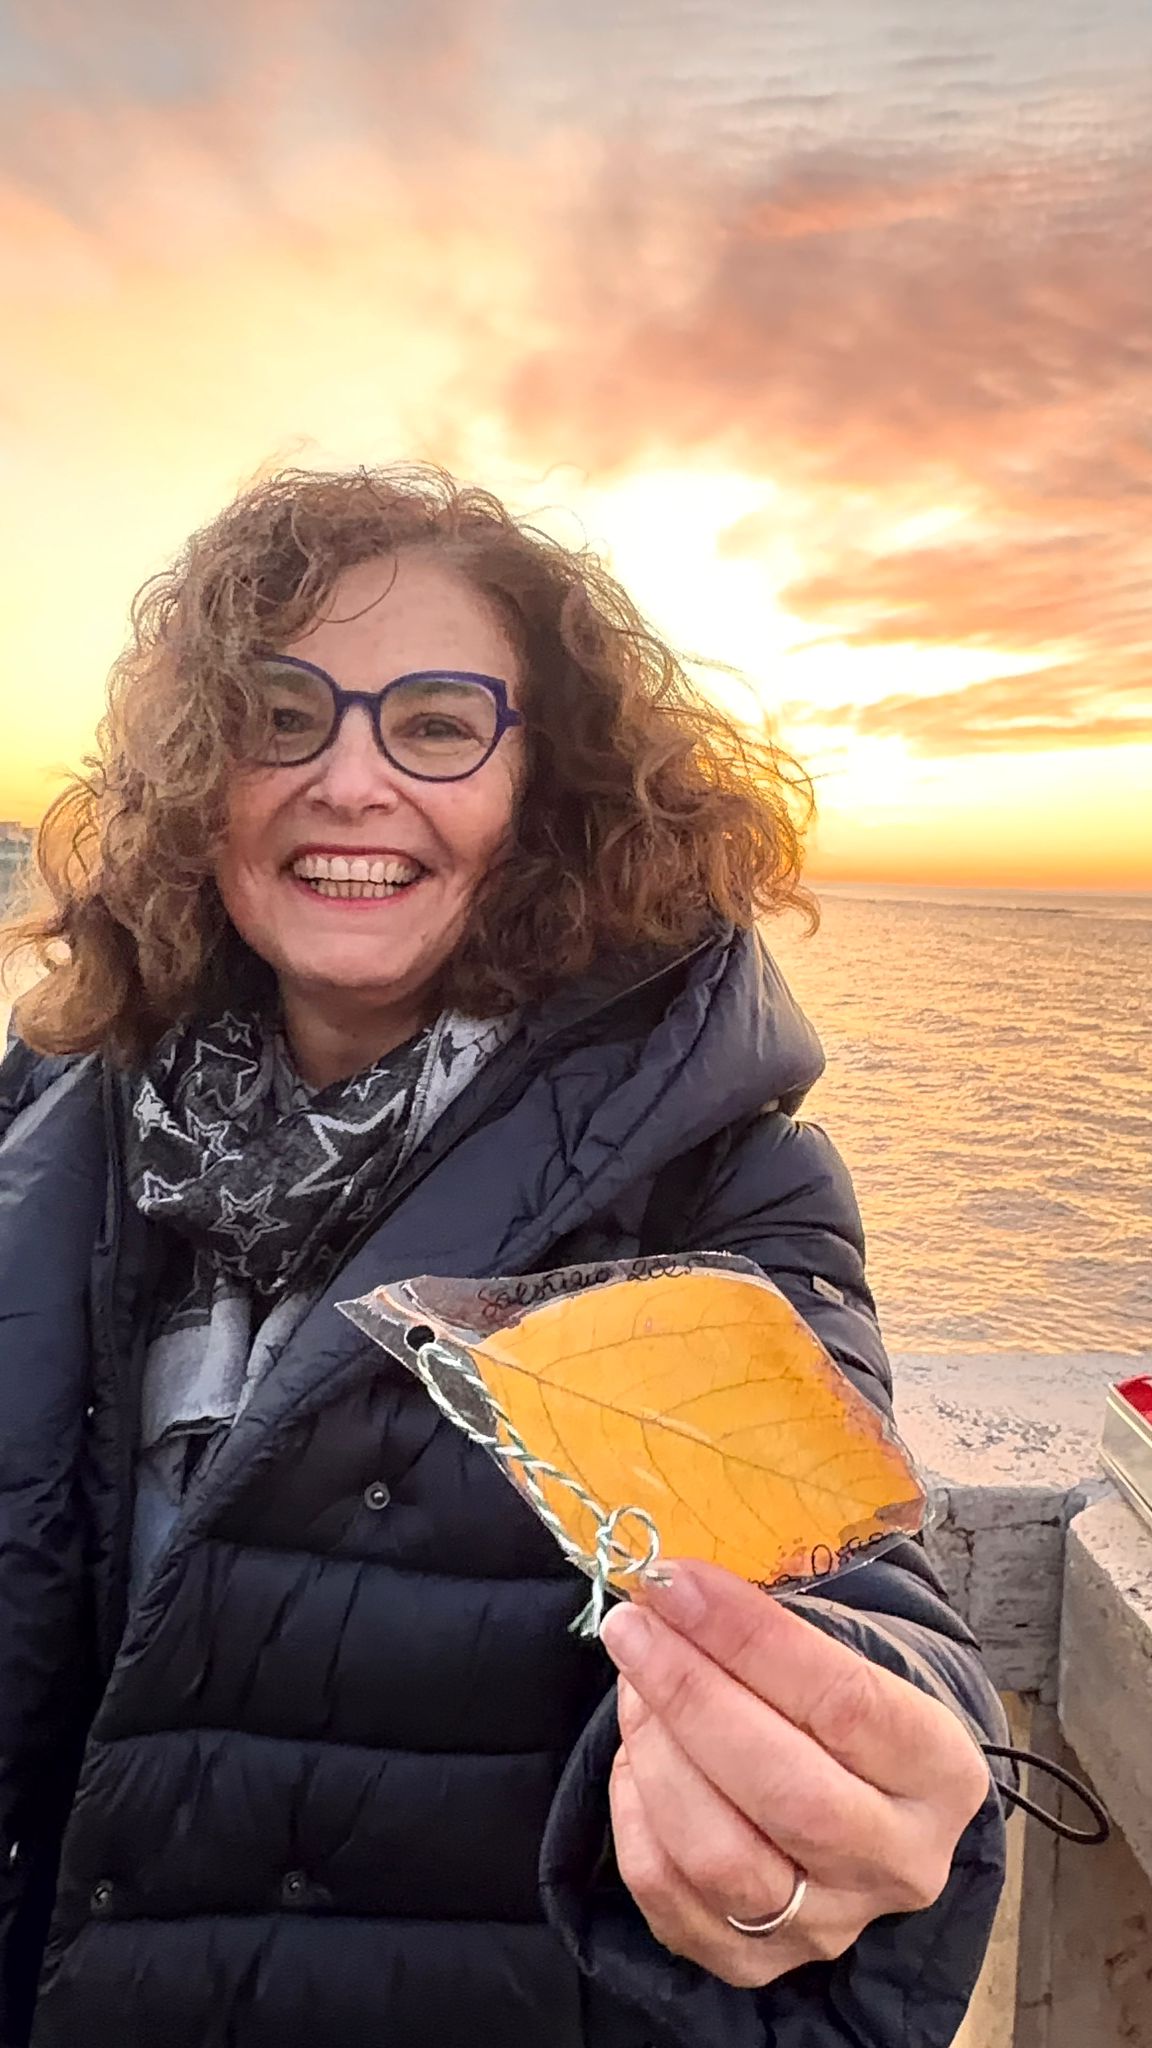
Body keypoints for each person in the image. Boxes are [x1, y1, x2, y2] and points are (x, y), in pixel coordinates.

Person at [0, 465, 1007, 2048]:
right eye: (281, 715)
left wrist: (839, 1751)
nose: (350, 780)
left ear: (543, 788)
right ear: (202, 773)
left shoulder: (710, 1186)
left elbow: (829, 1568)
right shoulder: (48, 1130)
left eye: (437, 724)